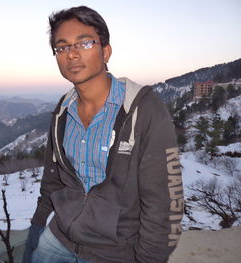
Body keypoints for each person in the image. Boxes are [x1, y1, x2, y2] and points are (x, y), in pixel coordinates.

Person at [22, 5, 184, 263]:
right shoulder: (63, 111)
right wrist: (37, 230)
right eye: (62, 47)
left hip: (117, 251)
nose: (72, 54)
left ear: (105, 51)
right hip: (58, 240)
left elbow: (164, 204)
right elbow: (51, 182)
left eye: (84, 43)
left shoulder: (143, 109)